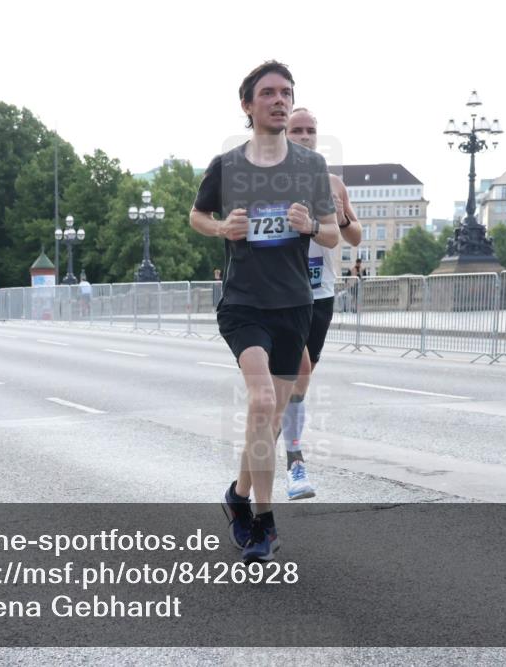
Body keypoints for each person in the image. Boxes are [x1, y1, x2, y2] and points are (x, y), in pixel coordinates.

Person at [189, 61, 338, 563]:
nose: (280, 100)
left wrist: (311, 227)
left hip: (294, 304)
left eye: (287, 93)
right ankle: (264, 522)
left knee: (270, 418)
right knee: (260, 401)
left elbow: (334, 233)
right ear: (247, 105)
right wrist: (221, 228)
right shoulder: (228, 165)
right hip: (244, 303)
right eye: (269, 93)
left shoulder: (311, 168)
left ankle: (237, 495)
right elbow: (197, 214)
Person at [280, 107, 362, 499]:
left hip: (321, 292)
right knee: (301, 368)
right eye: (297, 130)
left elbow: (356, 237)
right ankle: (295, 462)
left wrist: (342, 216)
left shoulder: (332, 182)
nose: (305, 135)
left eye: (311, 130)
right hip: (281, 292)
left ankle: (274, 432)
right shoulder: (272, 180)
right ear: (285, 133)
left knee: (298, 382)